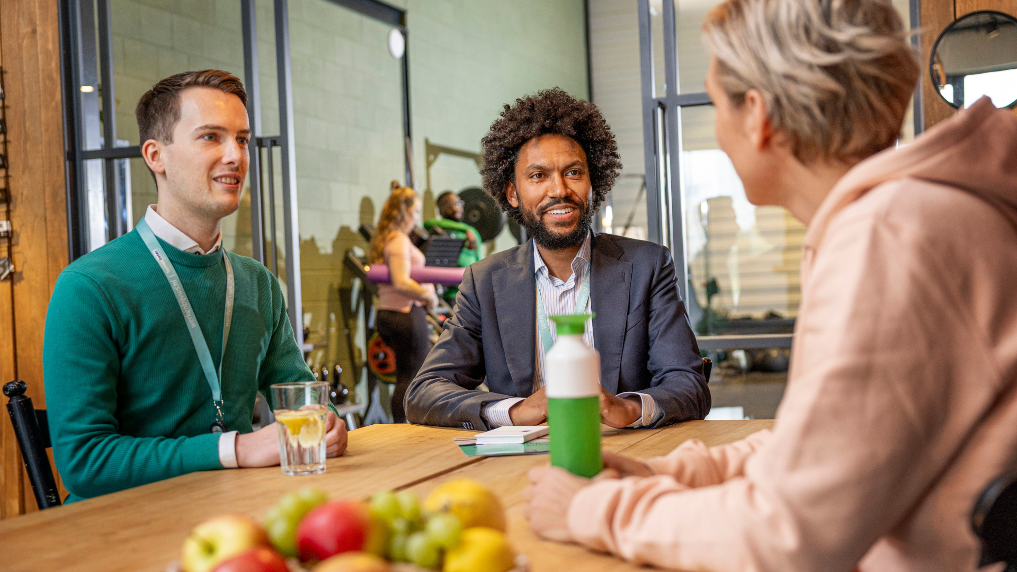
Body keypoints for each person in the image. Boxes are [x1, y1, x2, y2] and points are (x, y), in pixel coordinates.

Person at [523, 0, 1017, 570]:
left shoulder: (889, 234)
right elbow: (824, 448)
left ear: (756, 114)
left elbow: (788, 535)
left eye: (715, 103)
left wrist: (597, 509)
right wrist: (672, 473)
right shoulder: (905, 216)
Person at [43, 70, 347, 503]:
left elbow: (303, 403)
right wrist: (236, 448)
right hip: (120, 534)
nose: (235, 156)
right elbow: (85, 463)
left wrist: (327, 425)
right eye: (211, 137)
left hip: (236, 515)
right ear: (155, 156)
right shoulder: (89, 287)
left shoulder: (257, 282)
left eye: (242, 139)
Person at [406, 88, 710, 431]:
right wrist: (514, 411)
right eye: (538, 176)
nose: (559, 190)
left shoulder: (647, 267)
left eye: (574, 172)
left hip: (624, 456)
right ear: (513, 193)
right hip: (522, 468)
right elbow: (424, 392)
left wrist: (628, 408)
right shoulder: (484, 282)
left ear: (594, 182)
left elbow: (689, 385)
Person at [370, 182, 440, 423]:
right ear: (404, 211)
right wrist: (428, 296)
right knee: (410, 376)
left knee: (407, 375)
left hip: (397, 312)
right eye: (416, 211)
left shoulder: (391, 239)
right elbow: (401, 282)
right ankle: (402, 429)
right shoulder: (398, 240)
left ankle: (404, 426)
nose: (417, 218)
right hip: (404, 313)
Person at [424, 191, 483, 301]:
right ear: (441, 210)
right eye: (450, 206)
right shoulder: (438, 228)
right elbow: (428, 223)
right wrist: (465, 229)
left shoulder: (473, 233)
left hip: (469, 293)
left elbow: (480, 260)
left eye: (458, 204)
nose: (456, 209)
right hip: (448, 294)